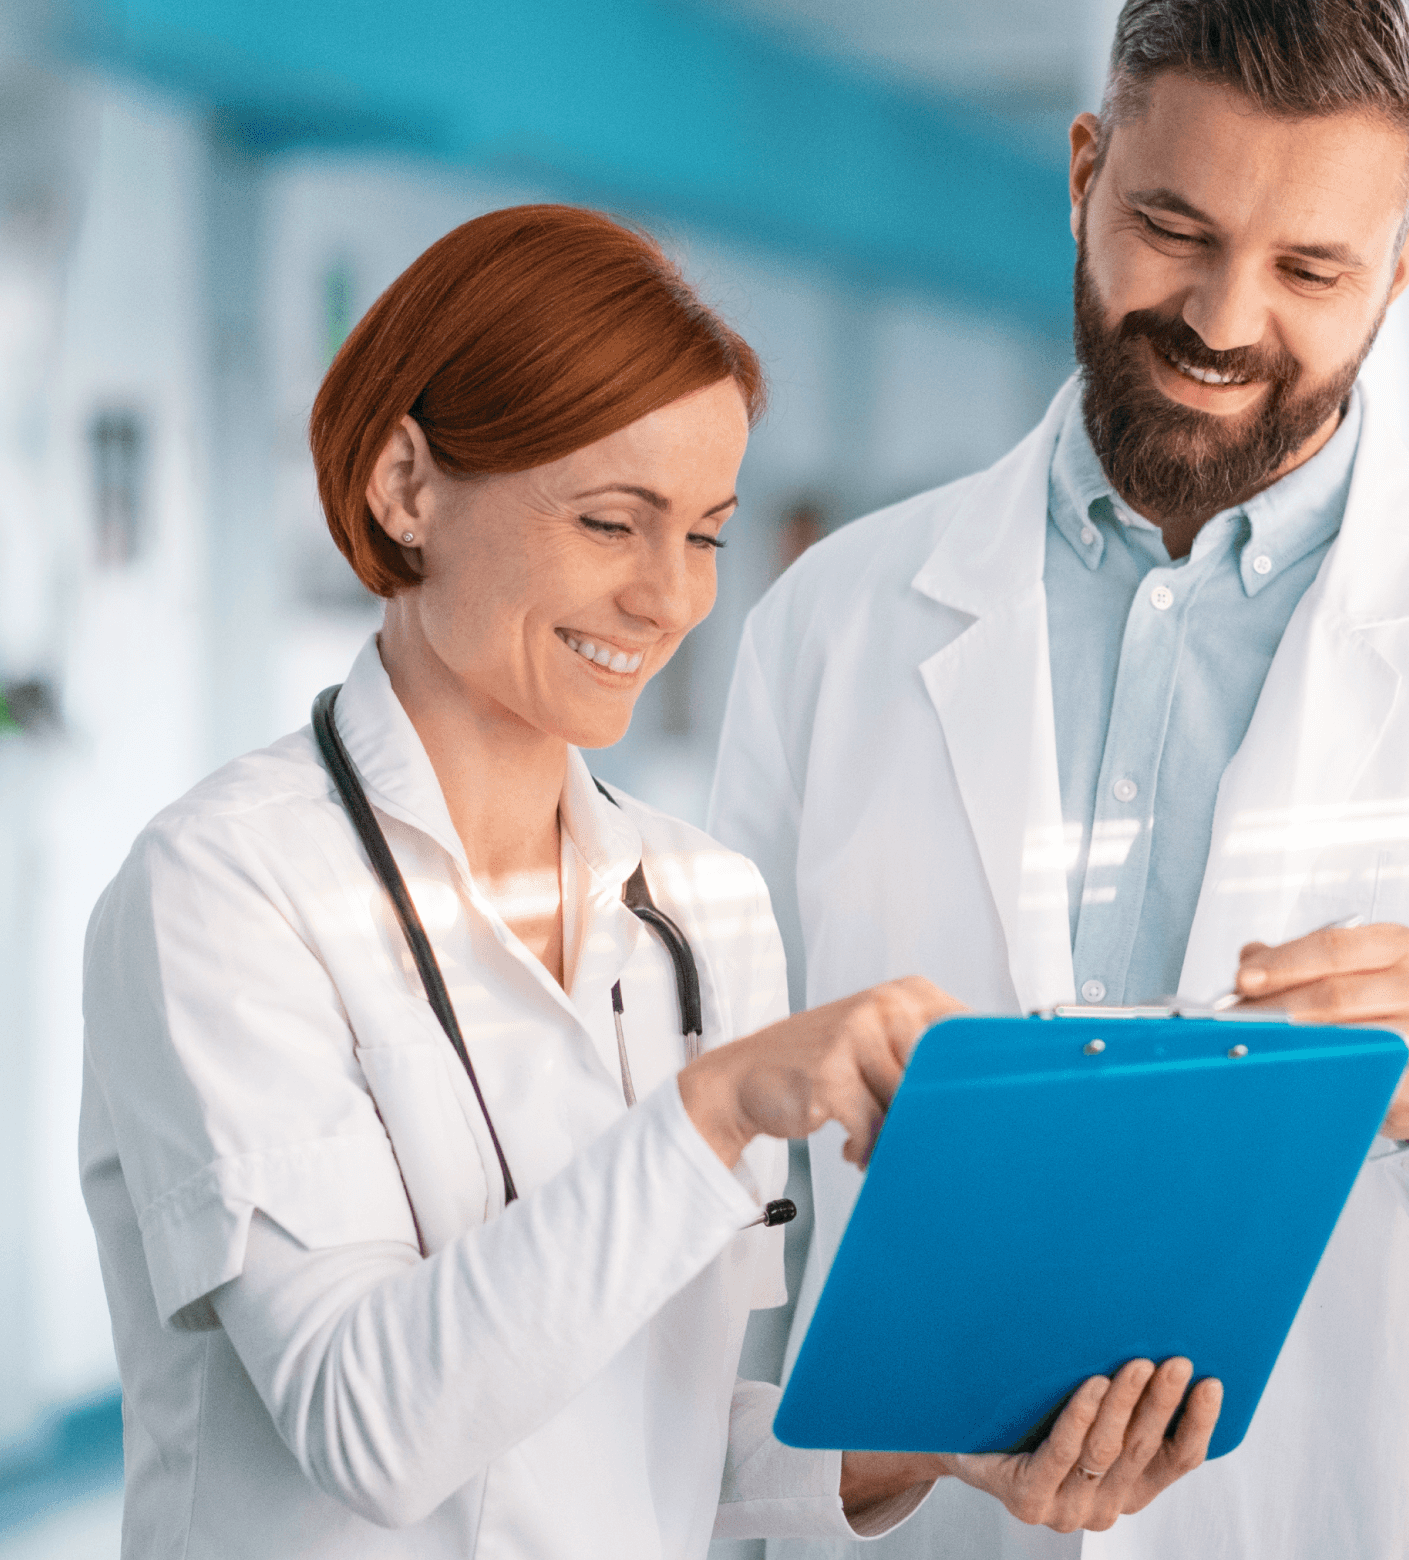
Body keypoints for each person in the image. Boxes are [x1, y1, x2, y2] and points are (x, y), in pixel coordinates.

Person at [707, 1, 1409, 1554]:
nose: (1222, 316)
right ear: (1084, 173)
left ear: (1401, 269)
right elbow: (720, 1161)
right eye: (1172, 227)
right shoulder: (834, 625)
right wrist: (829, 1467)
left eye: (1311, 270)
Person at [78, 204, 1218, 1560]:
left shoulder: (701, 906)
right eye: (613, 522)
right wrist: (716, 1108)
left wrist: (935, 1442)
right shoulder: (225, 890)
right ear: (405, 487)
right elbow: (369, 1425)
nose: (670, 599)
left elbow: (643, 1437)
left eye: (706, 535)